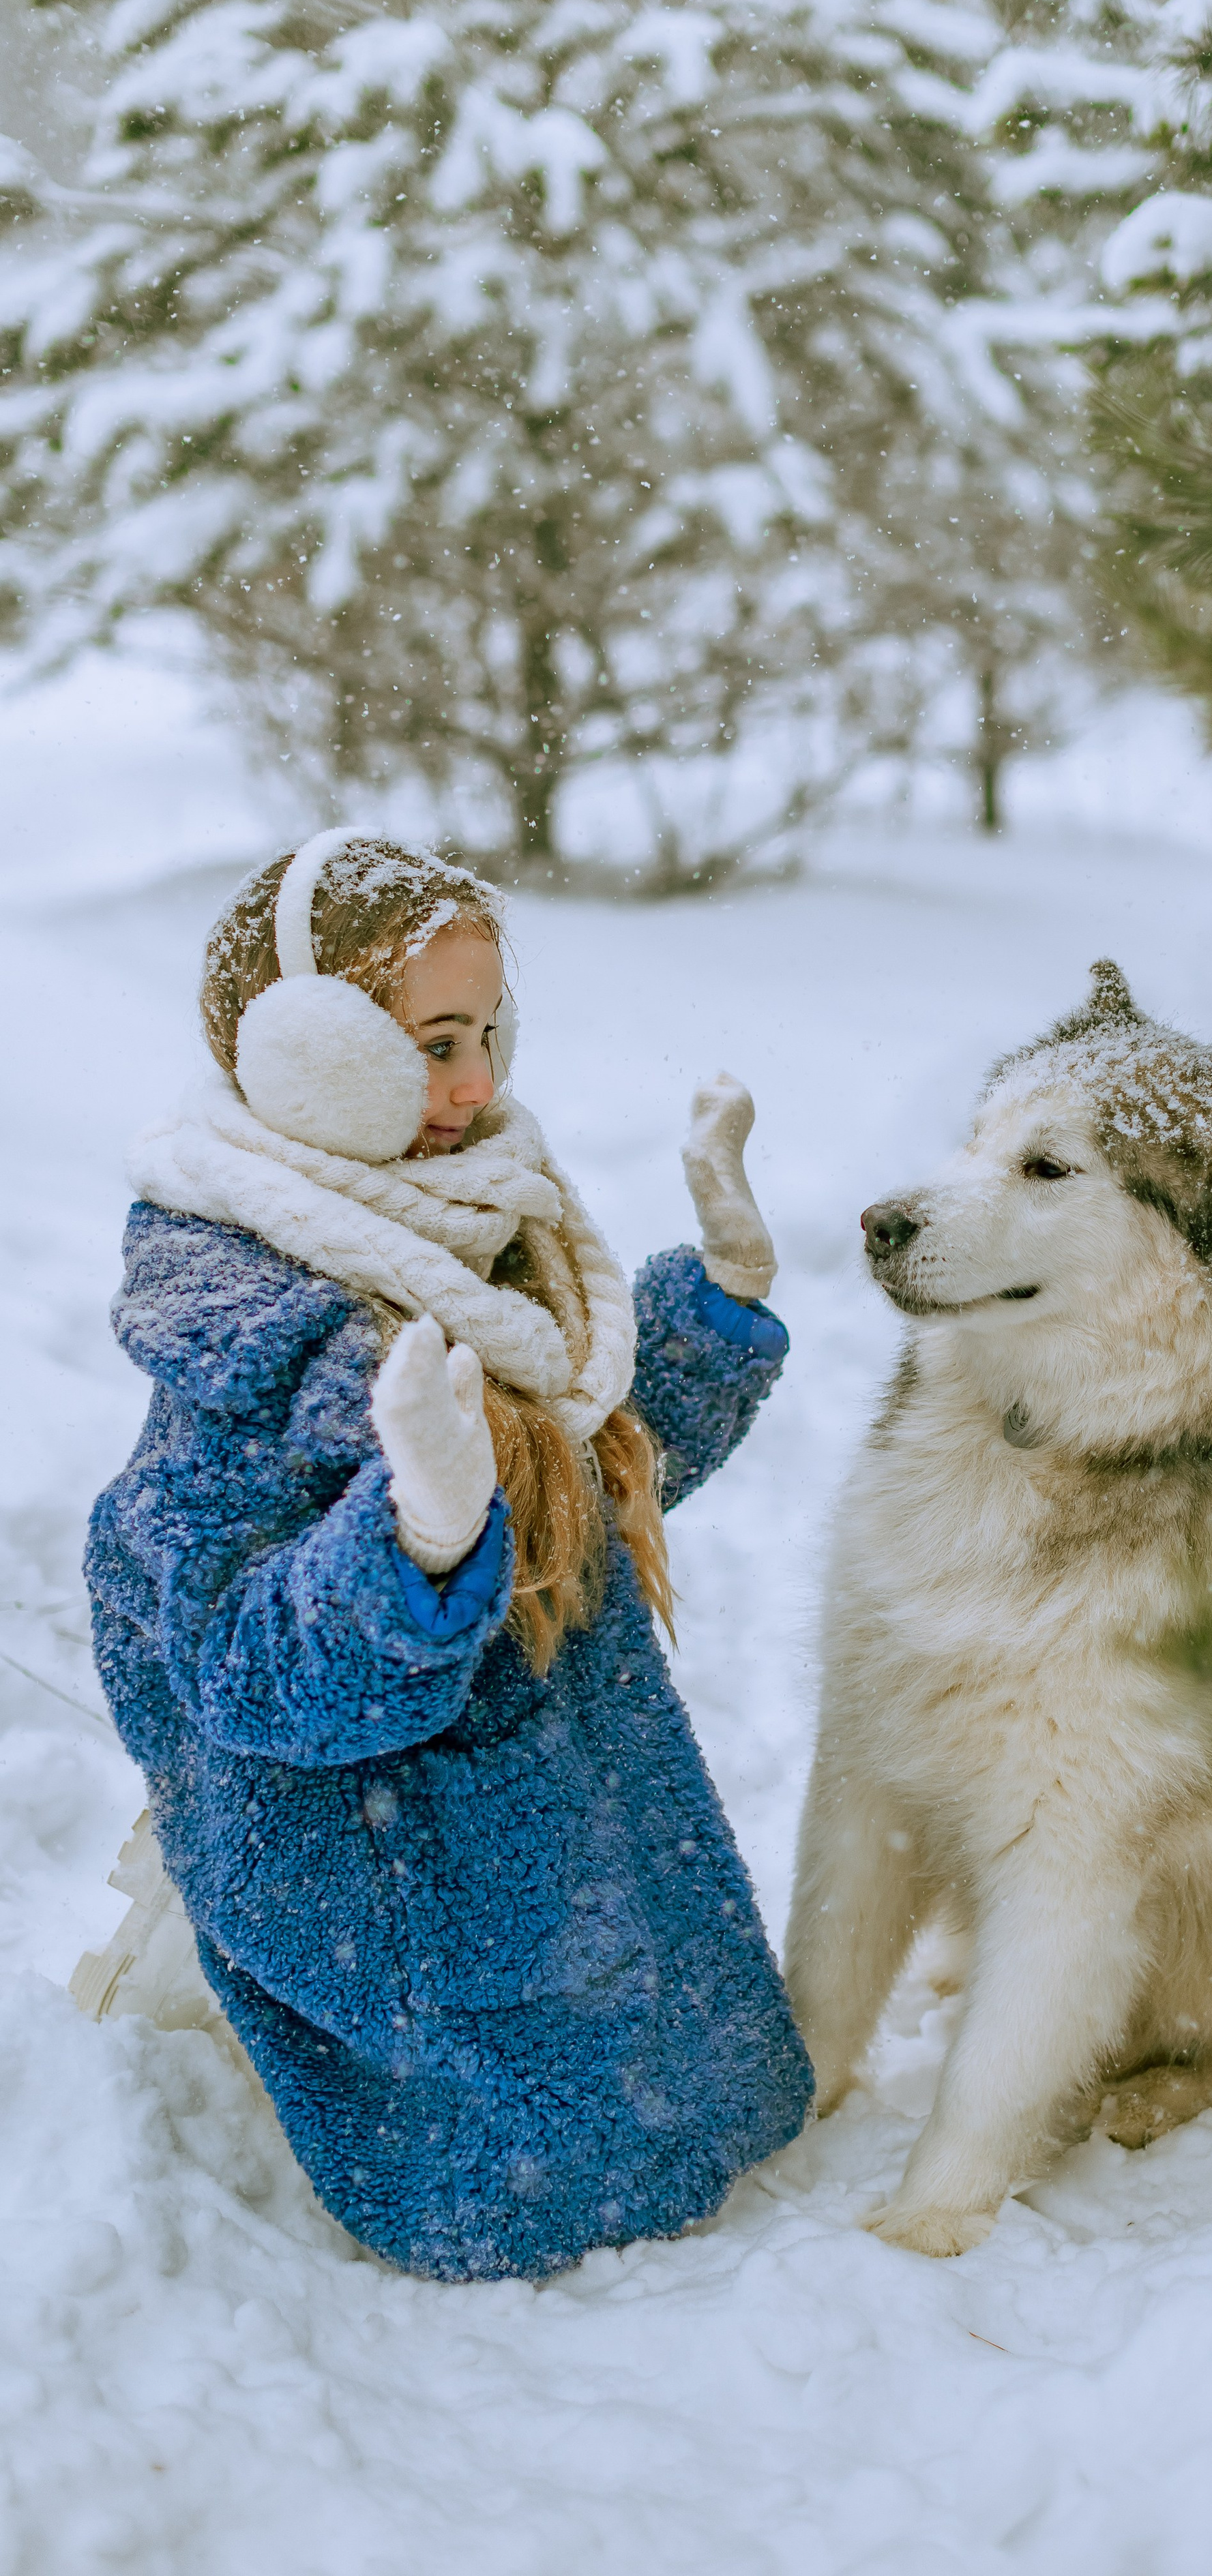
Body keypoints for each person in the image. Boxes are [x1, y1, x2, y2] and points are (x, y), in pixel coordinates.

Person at [76, 828, 812, 2280]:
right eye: (430, 1043)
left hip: (580, 1842)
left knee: (683, 2095)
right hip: (413, 1899)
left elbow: (578, 1494)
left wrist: (714, 1306)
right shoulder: (247, 1332)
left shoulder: (478, 1234)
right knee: (534, 2162)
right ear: (302, 1056)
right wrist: (410, 1541)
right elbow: (246, 1678)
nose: (475, 1087)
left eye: (485, 1035)